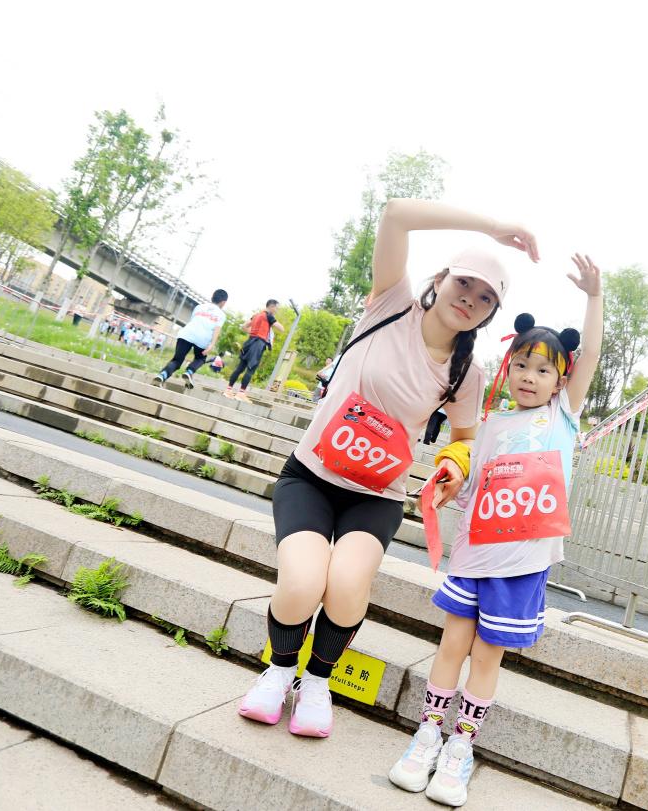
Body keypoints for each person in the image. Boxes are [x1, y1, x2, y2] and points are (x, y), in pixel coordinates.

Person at [236, 199, 536, 749]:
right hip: (311, 476)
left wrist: (452, 466)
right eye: (464, 284)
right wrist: (493, 227)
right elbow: (396, 213)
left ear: (491, 313)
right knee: (302, 582)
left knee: (347, 584)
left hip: (376, 495)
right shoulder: (392, 303)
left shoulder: (467, 371)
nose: (470, 299)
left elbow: (466, 439)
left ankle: (317, 682)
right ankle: (278, 671)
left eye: (485, 298)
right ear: (441, 280)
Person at [388, 255, 602, 806]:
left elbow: (592, 358)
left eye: (544, 370)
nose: (530, 377)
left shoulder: (562, 418)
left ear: (561, 380)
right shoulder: (489, 425)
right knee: (451, 645)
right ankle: (427, 736)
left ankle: (461, 747)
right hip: (474, 555)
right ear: (507, 368)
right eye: (522, 365)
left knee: (487, 656)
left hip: (522, 563)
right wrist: (450, 482)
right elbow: (472, 481)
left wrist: (594, 297)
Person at [153, 289, 229, 388]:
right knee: (200, 358)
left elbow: (193, 321)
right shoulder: (221, 314)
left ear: (212, 297)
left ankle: (162, 375)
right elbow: (217, 329)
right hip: (202, 339)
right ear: (223, 302)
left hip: (186, 334)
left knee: (177, 360)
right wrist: (212, 344)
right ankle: (189, 371)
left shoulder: (199, 307)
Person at [225, 299, 286, 402]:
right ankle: (241, 393)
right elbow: (281, 329)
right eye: (276, 308)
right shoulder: (269, 316)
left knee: (240, 368)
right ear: (271, 306)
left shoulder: (256, 315)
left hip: (249, 342)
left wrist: (254, 332)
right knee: (251, 369)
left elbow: (244, 326)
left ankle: (228, 390)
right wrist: (272, 324)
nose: (277, 310)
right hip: (258, 344)